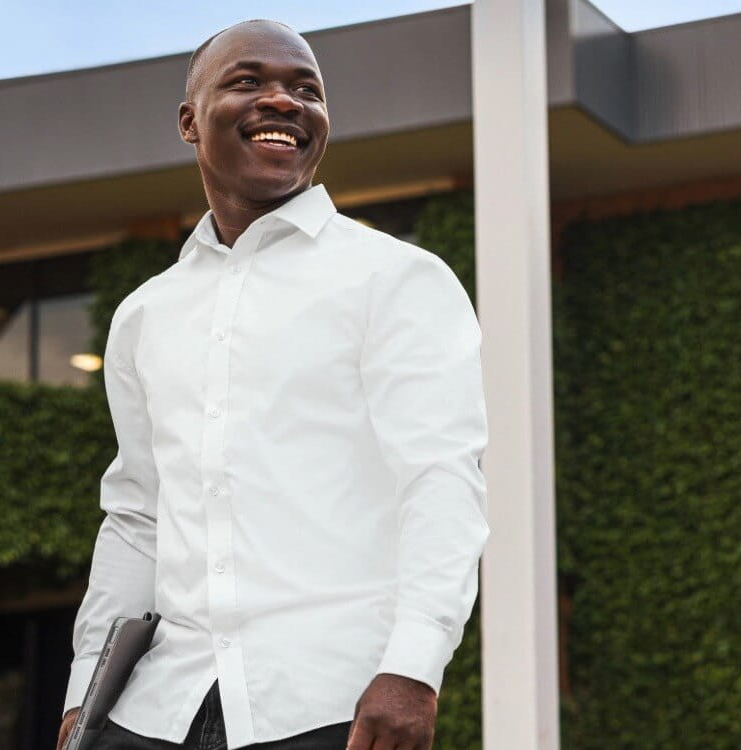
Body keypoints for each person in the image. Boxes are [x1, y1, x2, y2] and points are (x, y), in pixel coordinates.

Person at [56, 19, 489, 750]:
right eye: (249, 81)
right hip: (154, 710)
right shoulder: (144, 315)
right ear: (190, 122)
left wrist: (414, 667)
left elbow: (441, 481)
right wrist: (83, 693)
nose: (285, 101)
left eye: (306, 90)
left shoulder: (398, 279)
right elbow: (137, 517)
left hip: (331, 707)